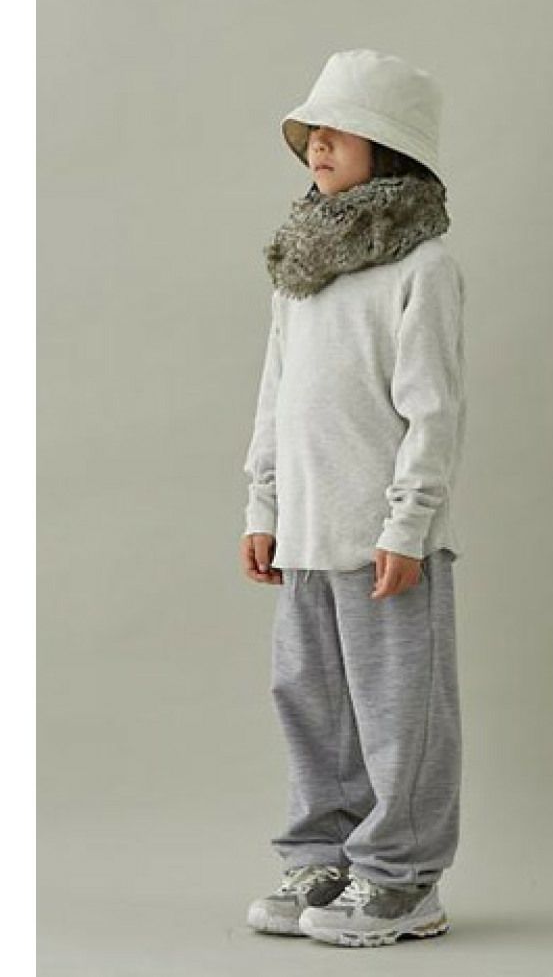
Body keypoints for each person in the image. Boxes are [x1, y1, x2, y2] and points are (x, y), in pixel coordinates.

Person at [239, 48, 467, 949]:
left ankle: (403, 878)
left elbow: (433, 410)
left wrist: (408, 526)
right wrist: (264, 508)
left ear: (390, 146)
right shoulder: (301, 270)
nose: (318, 144)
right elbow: (276, 394)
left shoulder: (424, 269)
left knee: (399, 713)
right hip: (305, 532)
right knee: (310, 703)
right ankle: (323, 857)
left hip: (383, 546)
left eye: (340, 130)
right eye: (312, 132)